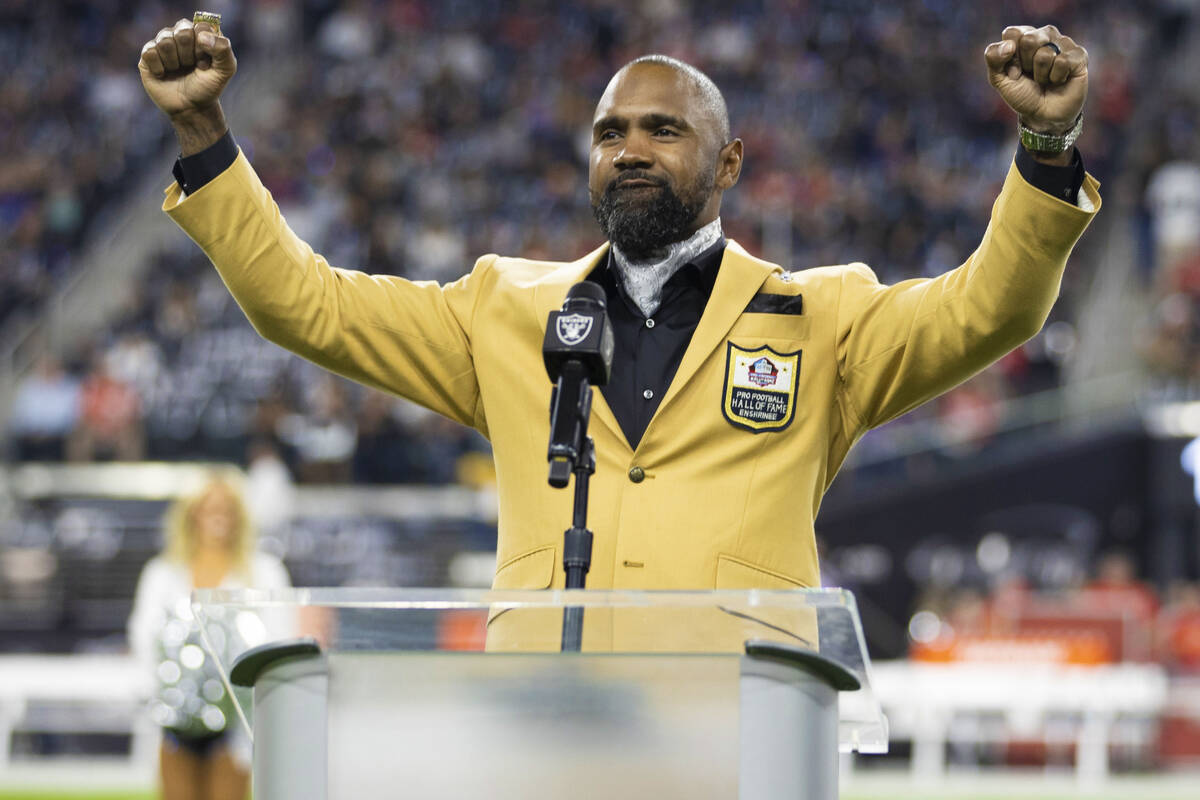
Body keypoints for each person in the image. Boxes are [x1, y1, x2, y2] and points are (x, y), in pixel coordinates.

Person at [137, 19, 1099, 603]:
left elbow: (993, 309)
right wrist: (204, 136)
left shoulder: (824, 318)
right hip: (554, 726)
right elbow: (306, 305)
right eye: (609, 133)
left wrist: (1046, 145)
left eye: (662, 129)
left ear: (727, 165)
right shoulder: (500, 310)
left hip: (742, 728)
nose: (629, 149)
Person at [128, 473, 291, 800]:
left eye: (228, 508)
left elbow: (281, 639)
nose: (219, 517)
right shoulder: (162, 573)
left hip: (237, 726)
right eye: (209, 508)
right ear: (191, 514)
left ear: (241, 516)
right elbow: (143, 638)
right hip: (174, 723)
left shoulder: (265, 572)